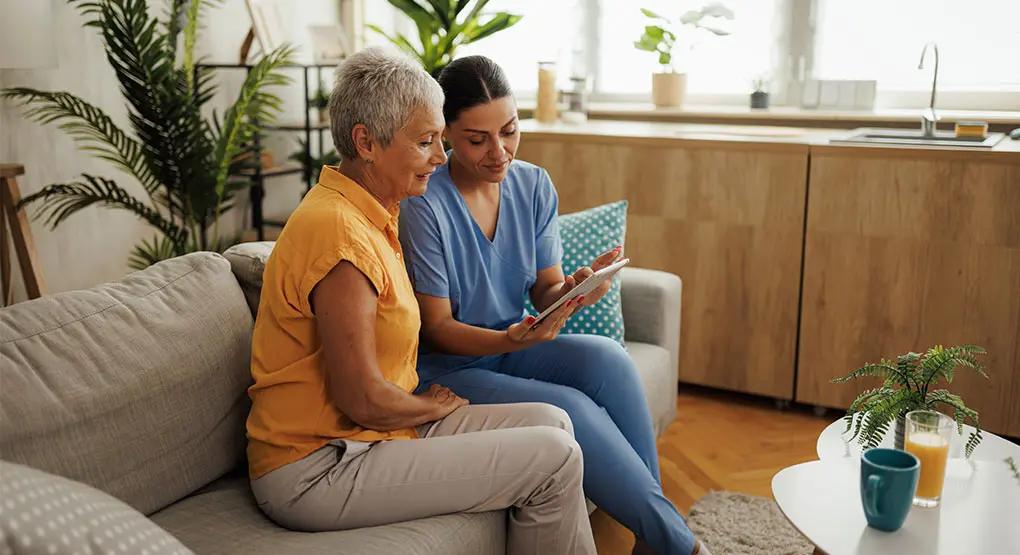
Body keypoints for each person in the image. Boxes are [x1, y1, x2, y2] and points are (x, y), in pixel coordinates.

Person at [244, 46, 596, 555]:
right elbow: (361, 398)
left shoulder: (374, 214)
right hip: (318, 465)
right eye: (427, 141)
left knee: (555, 422)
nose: (440, 155)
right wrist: (424, 407)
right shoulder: (339, 235)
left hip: (372, 434)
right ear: (366, 142)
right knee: (555, 455)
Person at [398, 55, 711, 555]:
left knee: (610, 358)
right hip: (448, 367)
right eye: (478, 139)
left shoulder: (533, 184)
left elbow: (543, 289)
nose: (499, 152)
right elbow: (436, 328)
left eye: (510, 130)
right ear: (445, 135)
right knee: (568, 407)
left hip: (510, 344)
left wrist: (574, 289)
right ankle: (679, 544)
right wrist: (508, 338)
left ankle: (653, 538)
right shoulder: (423, 204)